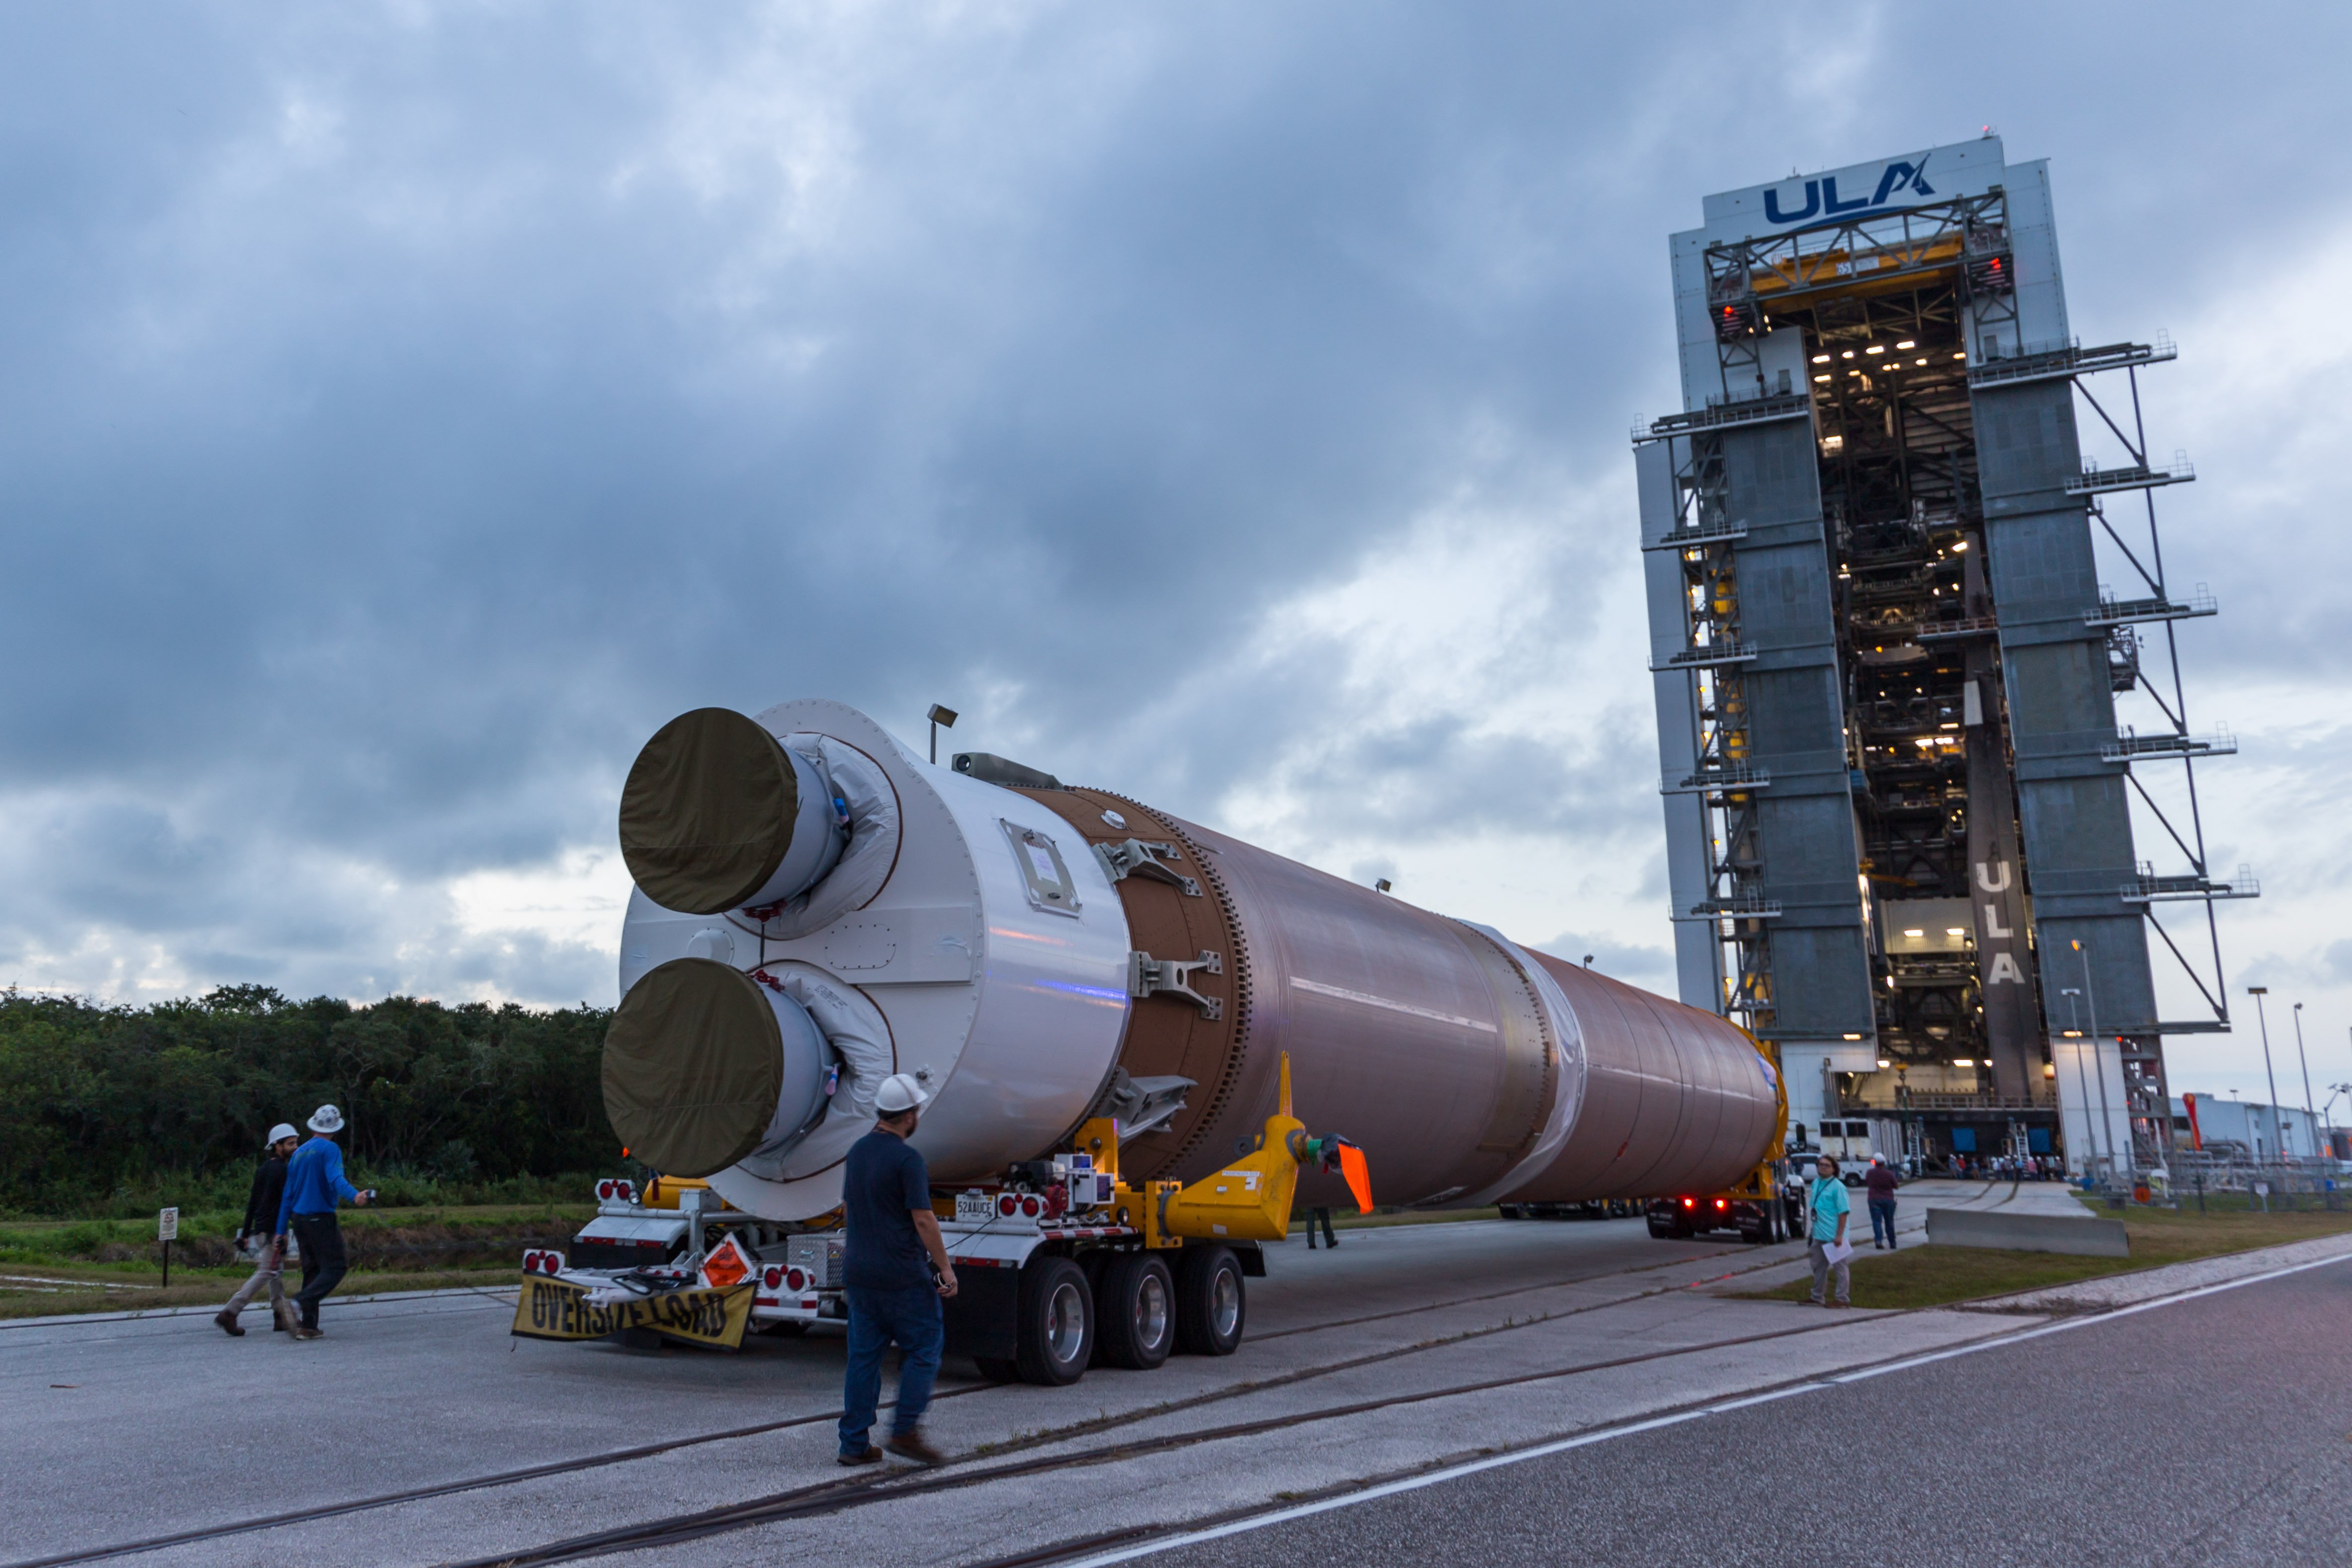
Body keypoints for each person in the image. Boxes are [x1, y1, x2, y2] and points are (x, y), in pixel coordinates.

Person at [838, 1074, 958, 1468]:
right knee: (924, 1347)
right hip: (902, 1275)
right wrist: (944, 1269)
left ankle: (853, 1444)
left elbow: (850, 1209)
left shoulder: (857, 1153)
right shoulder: (908, 1160)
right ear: (908, 1116)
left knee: (863, 1359)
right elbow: (923, 1219)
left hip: (859, 1272)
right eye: (917, 1111)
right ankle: (905, 1430)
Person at [274, 1104, 372, 1340]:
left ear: (314, 1125)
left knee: (312, 1271)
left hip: (299, 1220)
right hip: (320, 1217)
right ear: (336, 1129)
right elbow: (335, 1178)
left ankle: (308, 1326)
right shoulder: (330, 1149)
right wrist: (355, 1195)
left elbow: (288, 1194)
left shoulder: (299, 1153)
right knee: (336, 1266)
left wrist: (281, 1231)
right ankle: (297, 1304)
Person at [216, 1123, 302, 1336]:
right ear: (277, 1146)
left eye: (296, 1143)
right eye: (290, 1144)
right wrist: (294, 1228)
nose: (295, 1147)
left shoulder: (263, 1170)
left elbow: (252, 1203)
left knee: (275, 1273)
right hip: (274, 1230)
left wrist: (246, 1233)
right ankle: (230, 1312)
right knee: (266, 1272)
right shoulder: (283, 1170)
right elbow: (287, 1203)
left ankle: (280, 1317)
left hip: (262, 1229)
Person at [1807, 1154, 1852, 1307]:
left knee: (1840, 1267)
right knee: (1818, 1266)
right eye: (1820, 1164)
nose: (1823, 1167)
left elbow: (1843, 1212)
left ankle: (1842, 1298)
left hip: (1834, 1235)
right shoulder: (1816, 1183)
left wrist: (1839, 1235)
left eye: (1827, 1165)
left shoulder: (1838, 1187)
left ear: (1834, 1169)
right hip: (1818, 1233)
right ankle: (1817, 1296)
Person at [1865, 1155, 1899, 1251]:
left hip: (1874, 1199)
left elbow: (1867, 1182)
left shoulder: (1870, 1173)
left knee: (1877, 1221)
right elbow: (1896, 1186)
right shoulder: (1889, 1174)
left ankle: (1879, 1241)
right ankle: (1892, 1243)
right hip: (1888, 1199)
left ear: (1874, 1163)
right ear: (1884, 1163)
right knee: (1889, 1222)